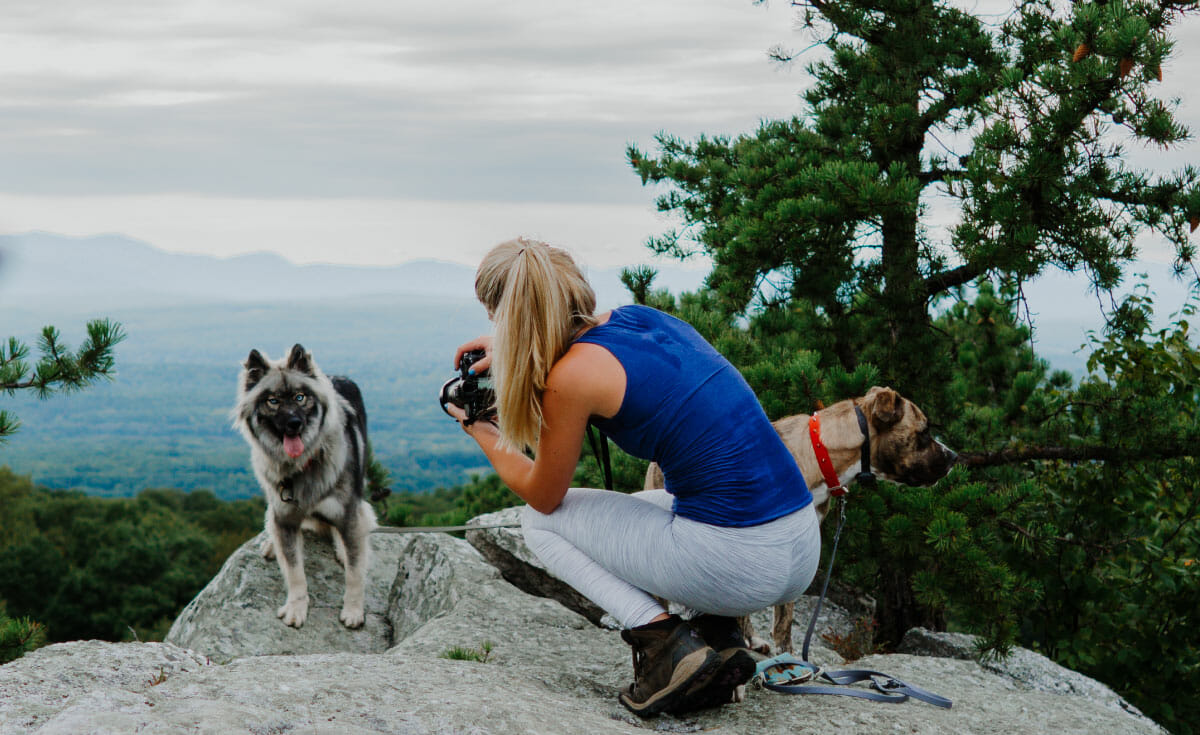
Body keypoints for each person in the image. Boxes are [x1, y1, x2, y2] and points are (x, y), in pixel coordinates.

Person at [447, 237, 820, 717]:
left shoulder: (572, 378)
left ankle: (668, 648)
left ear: (512, 317)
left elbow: (544, 495)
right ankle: (719, 636)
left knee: (539, 523)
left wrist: (480, 430)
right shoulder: (643, 320)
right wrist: (513, 346)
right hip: (798, 542)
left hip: (741, 563)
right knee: (673, 502)